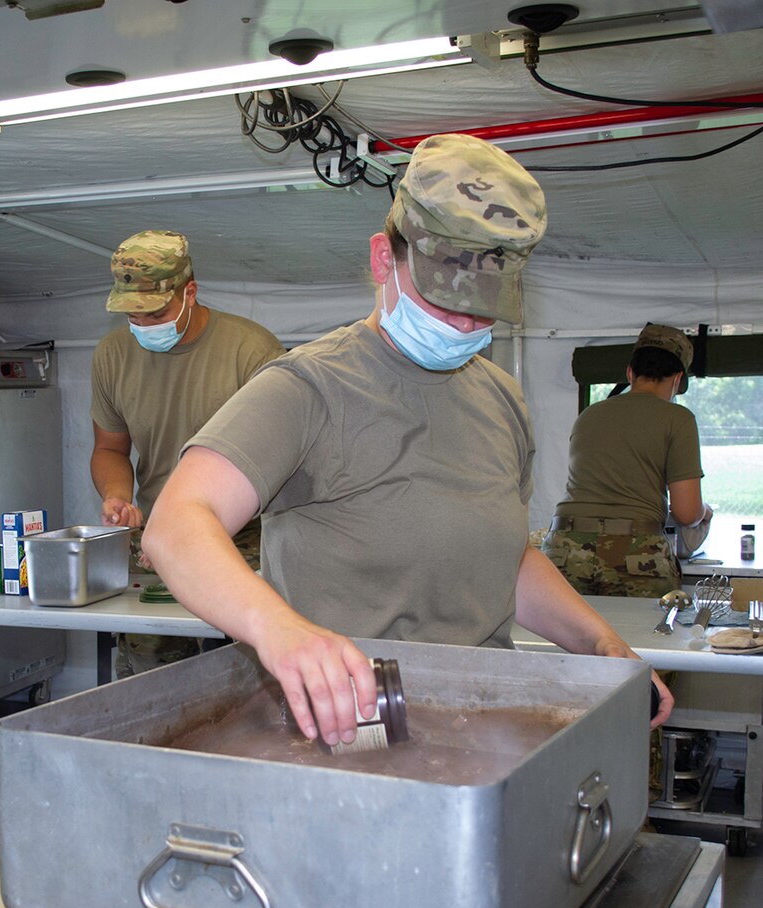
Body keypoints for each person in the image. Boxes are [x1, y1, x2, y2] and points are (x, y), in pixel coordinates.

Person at [143, 135, 673, 745]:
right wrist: (279, 630)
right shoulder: (309, 387)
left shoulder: (501, 398)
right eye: (446, 299)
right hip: (352, 729)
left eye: (484, 307)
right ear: (381, 261)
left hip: (479, 725)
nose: (465, 324)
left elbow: (503, 558)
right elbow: (177, 524)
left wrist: (598, 642)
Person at [90, 229, 283, 676]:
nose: (142, 326)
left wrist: (190, 535)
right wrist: (118, 497)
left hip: (245, 542)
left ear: (189, 293)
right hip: (157, 542)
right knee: (149, 678)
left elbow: (276, 466)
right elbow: (109, 447)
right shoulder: (112, 355)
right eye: (131, 315)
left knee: (246, 678)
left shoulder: (251, 351)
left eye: (155, 312)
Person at [541, 323, 713, 599]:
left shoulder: (590, 414)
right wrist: (705, 511)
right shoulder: (678, 419)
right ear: (678, 378)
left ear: (630, 372)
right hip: (635, 552)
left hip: (564, 547)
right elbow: (686, 513)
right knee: (643, 638)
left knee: (569, 641)